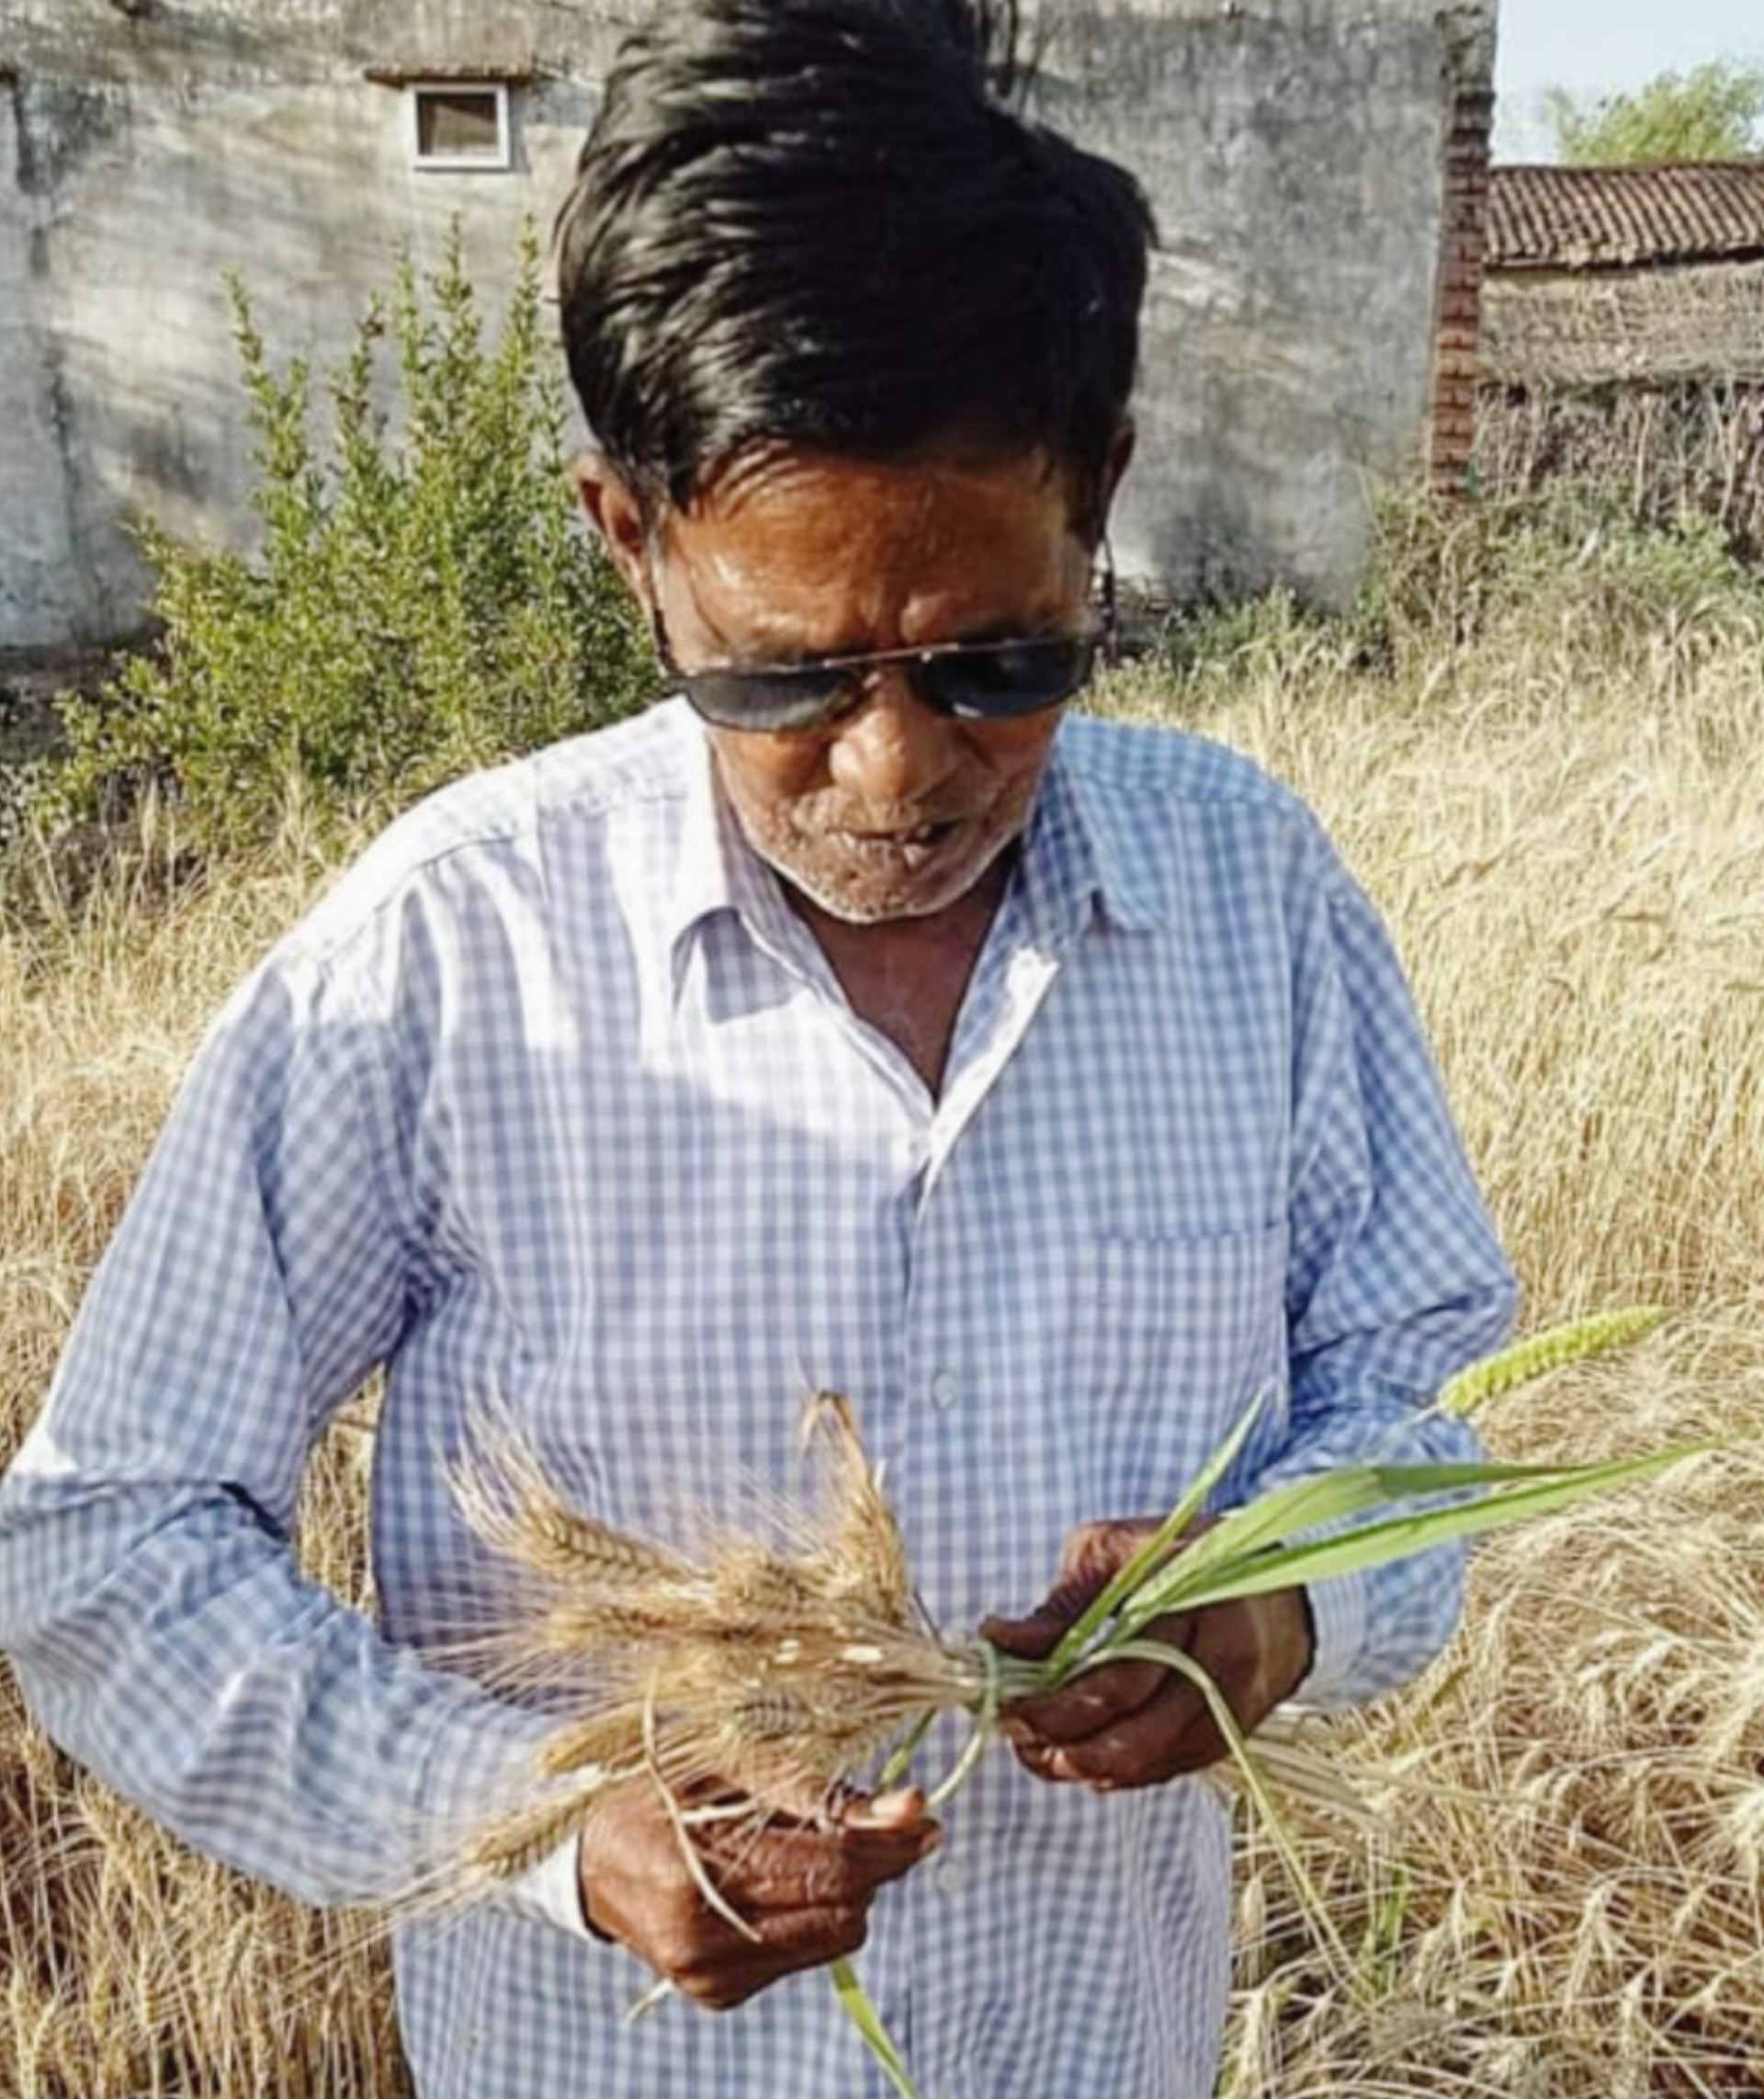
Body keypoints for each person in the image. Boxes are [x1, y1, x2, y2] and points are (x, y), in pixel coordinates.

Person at [0, 2, 1516, 2093]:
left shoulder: (1251, 903)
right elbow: (105, 1535)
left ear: (1102, 502)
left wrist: (1279, 1611)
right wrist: (542, 1818)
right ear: (631, 543)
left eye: (1000, 656)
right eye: (786, 675)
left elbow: (1418, 1388)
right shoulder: (443, 955)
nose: (896, 770)